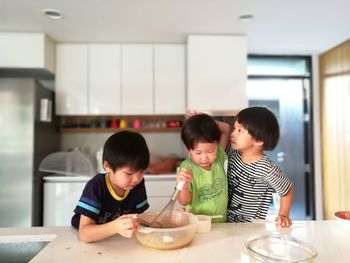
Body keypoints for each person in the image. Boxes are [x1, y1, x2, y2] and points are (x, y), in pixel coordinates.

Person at [71, 131, 150, 242]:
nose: (137, 179)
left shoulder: (137, 184)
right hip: (92, 240)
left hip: (117, 240)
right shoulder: (96, 186)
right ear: (107, 166)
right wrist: (116, 227)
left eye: (141, 171)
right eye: (129, 173)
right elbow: (84, 234)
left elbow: (139, 218)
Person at [226, 106, 294, 227]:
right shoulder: (233, 153)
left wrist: (283, 215)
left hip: (250, 227)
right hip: (226, 223)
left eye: (240, 131)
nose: (232, 134)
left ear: (259, 140)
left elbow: (287, 189)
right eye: (234, 128)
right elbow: (224, 129)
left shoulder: (266, 168)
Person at [176, 113, 231, 223]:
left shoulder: (219, 155)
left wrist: (205, 121)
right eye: (198, 153)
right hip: (198, 223)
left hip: (222, 223)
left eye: (210, 151)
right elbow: (184, 202)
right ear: (188, 150)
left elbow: (226, 129)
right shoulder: (186, 168)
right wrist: (185, 188)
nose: (205, 158)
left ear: (216, 145)